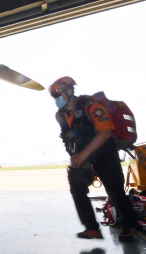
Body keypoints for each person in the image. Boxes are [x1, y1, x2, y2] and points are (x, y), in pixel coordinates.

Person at [50, 76, 137, 242]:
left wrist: (83, 154)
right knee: (76, 187)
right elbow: (70, 137)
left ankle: (129, 225)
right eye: (54, 96)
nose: (56, 99)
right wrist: (78, 156)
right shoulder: (60, 115)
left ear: (69, 91)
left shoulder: (91, 106)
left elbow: (105, 133)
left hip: (105, 154)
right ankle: (92, 228)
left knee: (115, 192)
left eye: (57, 94)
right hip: (84, 158)